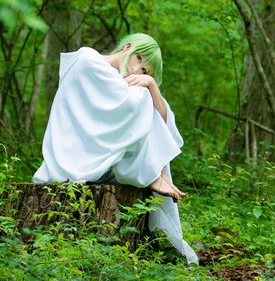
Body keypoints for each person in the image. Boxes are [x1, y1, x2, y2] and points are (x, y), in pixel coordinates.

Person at [33, 33, 199, 264]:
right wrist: (146, 90)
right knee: (141, 99)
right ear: (128, 47)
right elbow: (133, 108)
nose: (137, 70)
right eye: (138, 59)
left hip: (97, 158)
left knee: (146, 99)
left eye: (145, 70)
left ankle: (154, 174)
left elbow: (162, 119)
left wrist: (151, 85)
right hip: (74, 155)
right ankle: (151, 175)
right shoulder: (88, 59)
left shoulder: (121, 82)